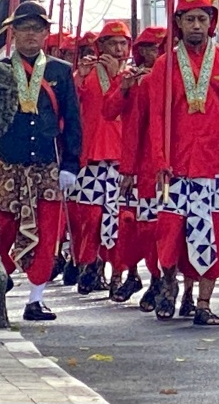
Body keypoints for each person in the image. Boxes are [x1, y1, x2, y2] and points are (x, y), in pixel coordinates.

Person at [124, 0, 219, 326]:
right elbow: (156, 119)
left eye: (202, 19)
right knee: (169, 233)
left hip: (217, 165)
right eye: (190, 19)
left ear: (211, 23)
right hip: (176, 167)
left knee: (218, 233)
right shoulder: (164, 67)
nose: (197, 25)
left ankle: (203, 303)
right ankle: (169, 280)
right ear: (178, 23)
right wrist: (159, 160)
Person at [0, 0, 82, 322]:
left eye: (37, 29)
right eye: (24, 28)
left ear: (46, 33)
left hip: (46, 163)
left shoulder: (60, 71)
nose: (31, 35)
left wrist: (71, 165)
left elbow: (72, 120)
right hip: (7, 163)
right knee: (2, 228)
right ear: (13, 32)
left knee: (46, 231)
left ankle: (36, 298)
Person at [70, 20, 138, 296]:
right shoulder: (87, 73)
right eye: (113, 44)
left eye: (123, 44)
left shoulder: (132, 76)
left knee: (122, 219)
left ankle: (118, 274)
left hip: (123, 159)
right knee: (92, 217)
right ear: (101, 47)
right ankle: (92, 264)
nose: (119, 49)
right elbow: (71, 105)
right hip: (93, 157)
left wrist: (119, 77)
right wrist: (79, 77)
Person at [107, 25, 164, 304]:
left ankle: (159, 279)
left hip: (165, 165)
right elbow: (111, 112)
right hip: (138, 164)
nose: (154, 53)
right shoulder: (132, 78)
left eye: (158, 48)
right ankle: (132, 273)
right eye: (148, 48)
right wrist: (124, 88)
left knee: (157, 227)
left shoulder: (171, 78)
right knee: (132, 225)